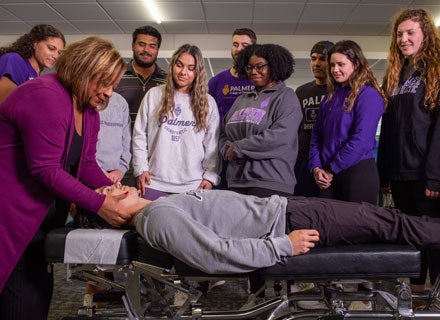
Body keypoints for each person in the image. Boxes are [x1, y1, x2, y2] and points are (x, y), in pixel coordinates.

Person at [0, 36, 138, 320]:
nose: (109, 93)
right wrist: (101, 205)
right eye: (104, 82)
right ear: (82, 69)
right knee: (20, 302)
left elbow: (85, 164)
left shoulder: (89, 112)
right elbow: (46, 169)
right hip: (11, 215)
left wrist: (115, 190)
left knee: (38, 295)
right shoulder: (46, 95)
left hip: (42, 218)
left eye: (113, 85)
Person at [98, 184, 440, 275]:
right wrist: (283, 246)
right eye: (106, 195)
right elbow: (214, 254)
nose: (114, 187)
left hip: (291, 209)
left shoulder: (157, 207)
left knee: (385, 220)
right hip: (292, 222)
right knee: (389, 222)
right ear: (114, 215)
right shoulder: (155, 219)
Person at [377, 8, 440, 296]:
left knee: (433, 239)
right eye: (399, 34)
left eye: (410, 32)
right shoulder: (395, 74)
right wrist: (383, 171)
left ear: (425, 34)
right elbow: (388, 128)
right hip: (399, 171)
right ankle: (415, 295)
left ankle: (437, 295)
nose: (403, 38)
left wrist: (435, 177)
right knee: (410, 237)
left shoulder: (436, 71)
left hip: (426, 173)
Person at [132, 44, 220, 201]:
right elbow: (139, 135)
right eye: (179, 65)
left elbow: (212, 144)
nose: (183, 72)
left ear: (197, 71)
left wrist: (210, 176)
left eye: (190, 68)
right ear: (172, 65)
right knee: (148, 224)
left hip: (193, 184)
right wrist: (140, 169)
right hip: (154, 181)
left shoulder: (208, 102)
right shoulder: (154, 95)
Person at [219, 43, 302, 198]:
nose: (253, 72)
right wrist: (227, 151)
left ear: (275, 66)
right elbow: (223, 132)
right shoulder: (241, 99)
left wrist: (239, 148)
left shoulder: (286, 97)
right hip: (236, 181)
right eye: (249, 68)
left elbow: (280, 137)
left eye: (260, 66)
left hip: (269, 182)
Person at [309, 40, 386, 205]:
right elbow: (316, 135)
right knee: (324, 227)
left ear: (356, 64)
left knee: (355, 229)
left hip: (356, 173)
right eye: (332, 65)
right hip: (327, 176)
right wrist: (316, 167)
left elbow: (362, 139)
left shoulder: (368, 95)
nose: (335, 70)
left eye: (341, 64)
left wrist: (331, 169)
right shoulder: (330, 97)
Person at [114, 25, 167, 187]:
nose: (146, 50)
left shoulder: (168, 81)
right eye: (141, 44)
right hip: (121, 156)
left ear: (158, 49)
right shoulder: (116, 76)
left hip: (154, 156)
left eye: (152, 46)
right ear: (133, 46)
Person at [208, 28, 257, 189]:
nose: (239, 48)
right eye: (235, 44)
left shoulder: (258, 81)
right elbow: (206, 116)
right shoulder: (217, 81)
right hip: (221, 150)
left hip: (251, 152)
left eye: (244, 44)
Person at [294, 41, 334, 197]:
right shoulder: (302, 91)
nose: (316, 64)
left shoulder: (337, 91)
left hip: (328, 162)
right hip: (304, 160)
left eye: (322, 59)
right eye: (313, 58)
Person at [0, 24, 65, 103]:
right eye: (51, 48)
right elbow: (5, 103)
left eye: (59, 53)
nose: (56, 56)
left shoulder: (35, 75)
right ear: (35, 43)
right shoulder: (14, 60)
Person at [96, 92, 132, 183]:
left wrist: (121, 168)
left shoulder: (121, 101)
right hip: (91, 170)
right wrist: (100, 172)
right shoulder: (90, 99)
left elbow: (126, 139)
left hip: (117, 175)